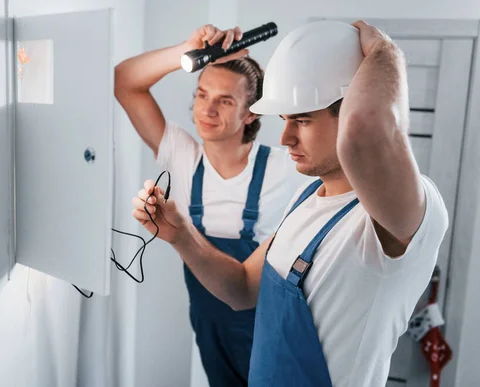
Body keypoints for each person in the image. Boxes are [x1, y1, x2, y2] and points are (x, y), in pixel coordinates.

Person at [130, 19, 450, 387]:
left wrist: (385, 52)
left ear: (347, 115)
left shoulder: (402, 218)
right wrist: (180, 235)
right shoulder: (305, 199)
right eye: (284, 120)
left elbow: (367, 130)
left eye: (301, 120)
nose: (285, 138)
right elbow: (241, 289)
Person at [113, 24, 305, 386]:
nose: (208, 109)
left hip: (267, 329)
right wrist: (185, 49)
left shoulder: (287, 168)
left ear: (251, 113)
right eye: (202, 95)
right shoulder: (181, 156)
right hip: (207, 324)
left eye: (226, 100)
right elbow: (124, 80)